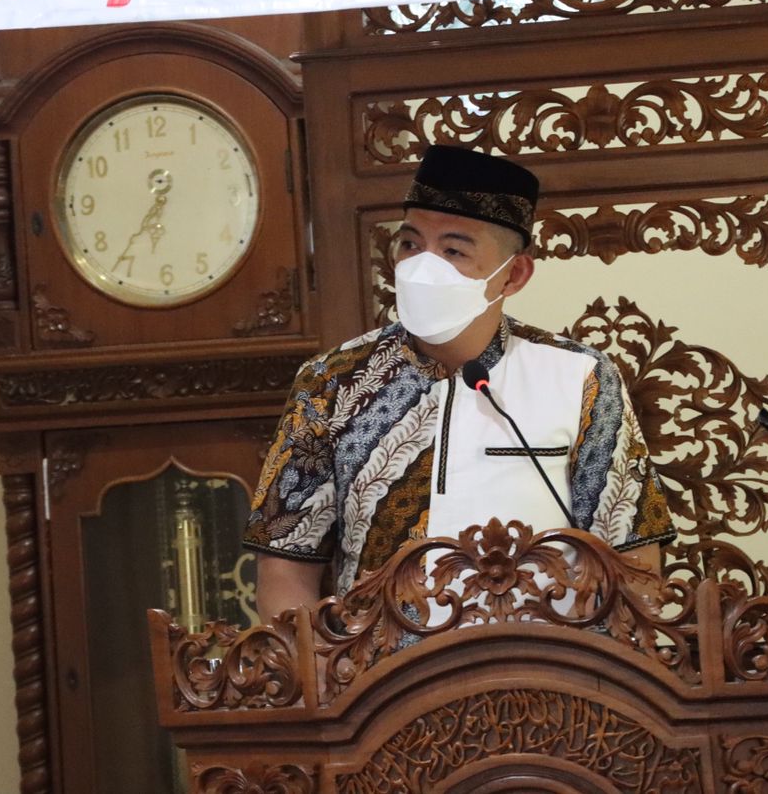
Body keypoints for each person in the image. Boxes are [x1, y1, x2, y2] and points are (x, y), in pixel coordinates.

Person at [243, 145, 675, 622]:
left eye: (453, 251)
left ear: (514, 275)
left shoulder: (580, 378)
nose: (423, 267)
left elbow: (633, 560)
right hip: (379, 664)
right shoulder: (332, 382)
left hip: (548, 661)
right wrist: (325, 661)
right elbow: (285, 568)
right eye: (411, 244)